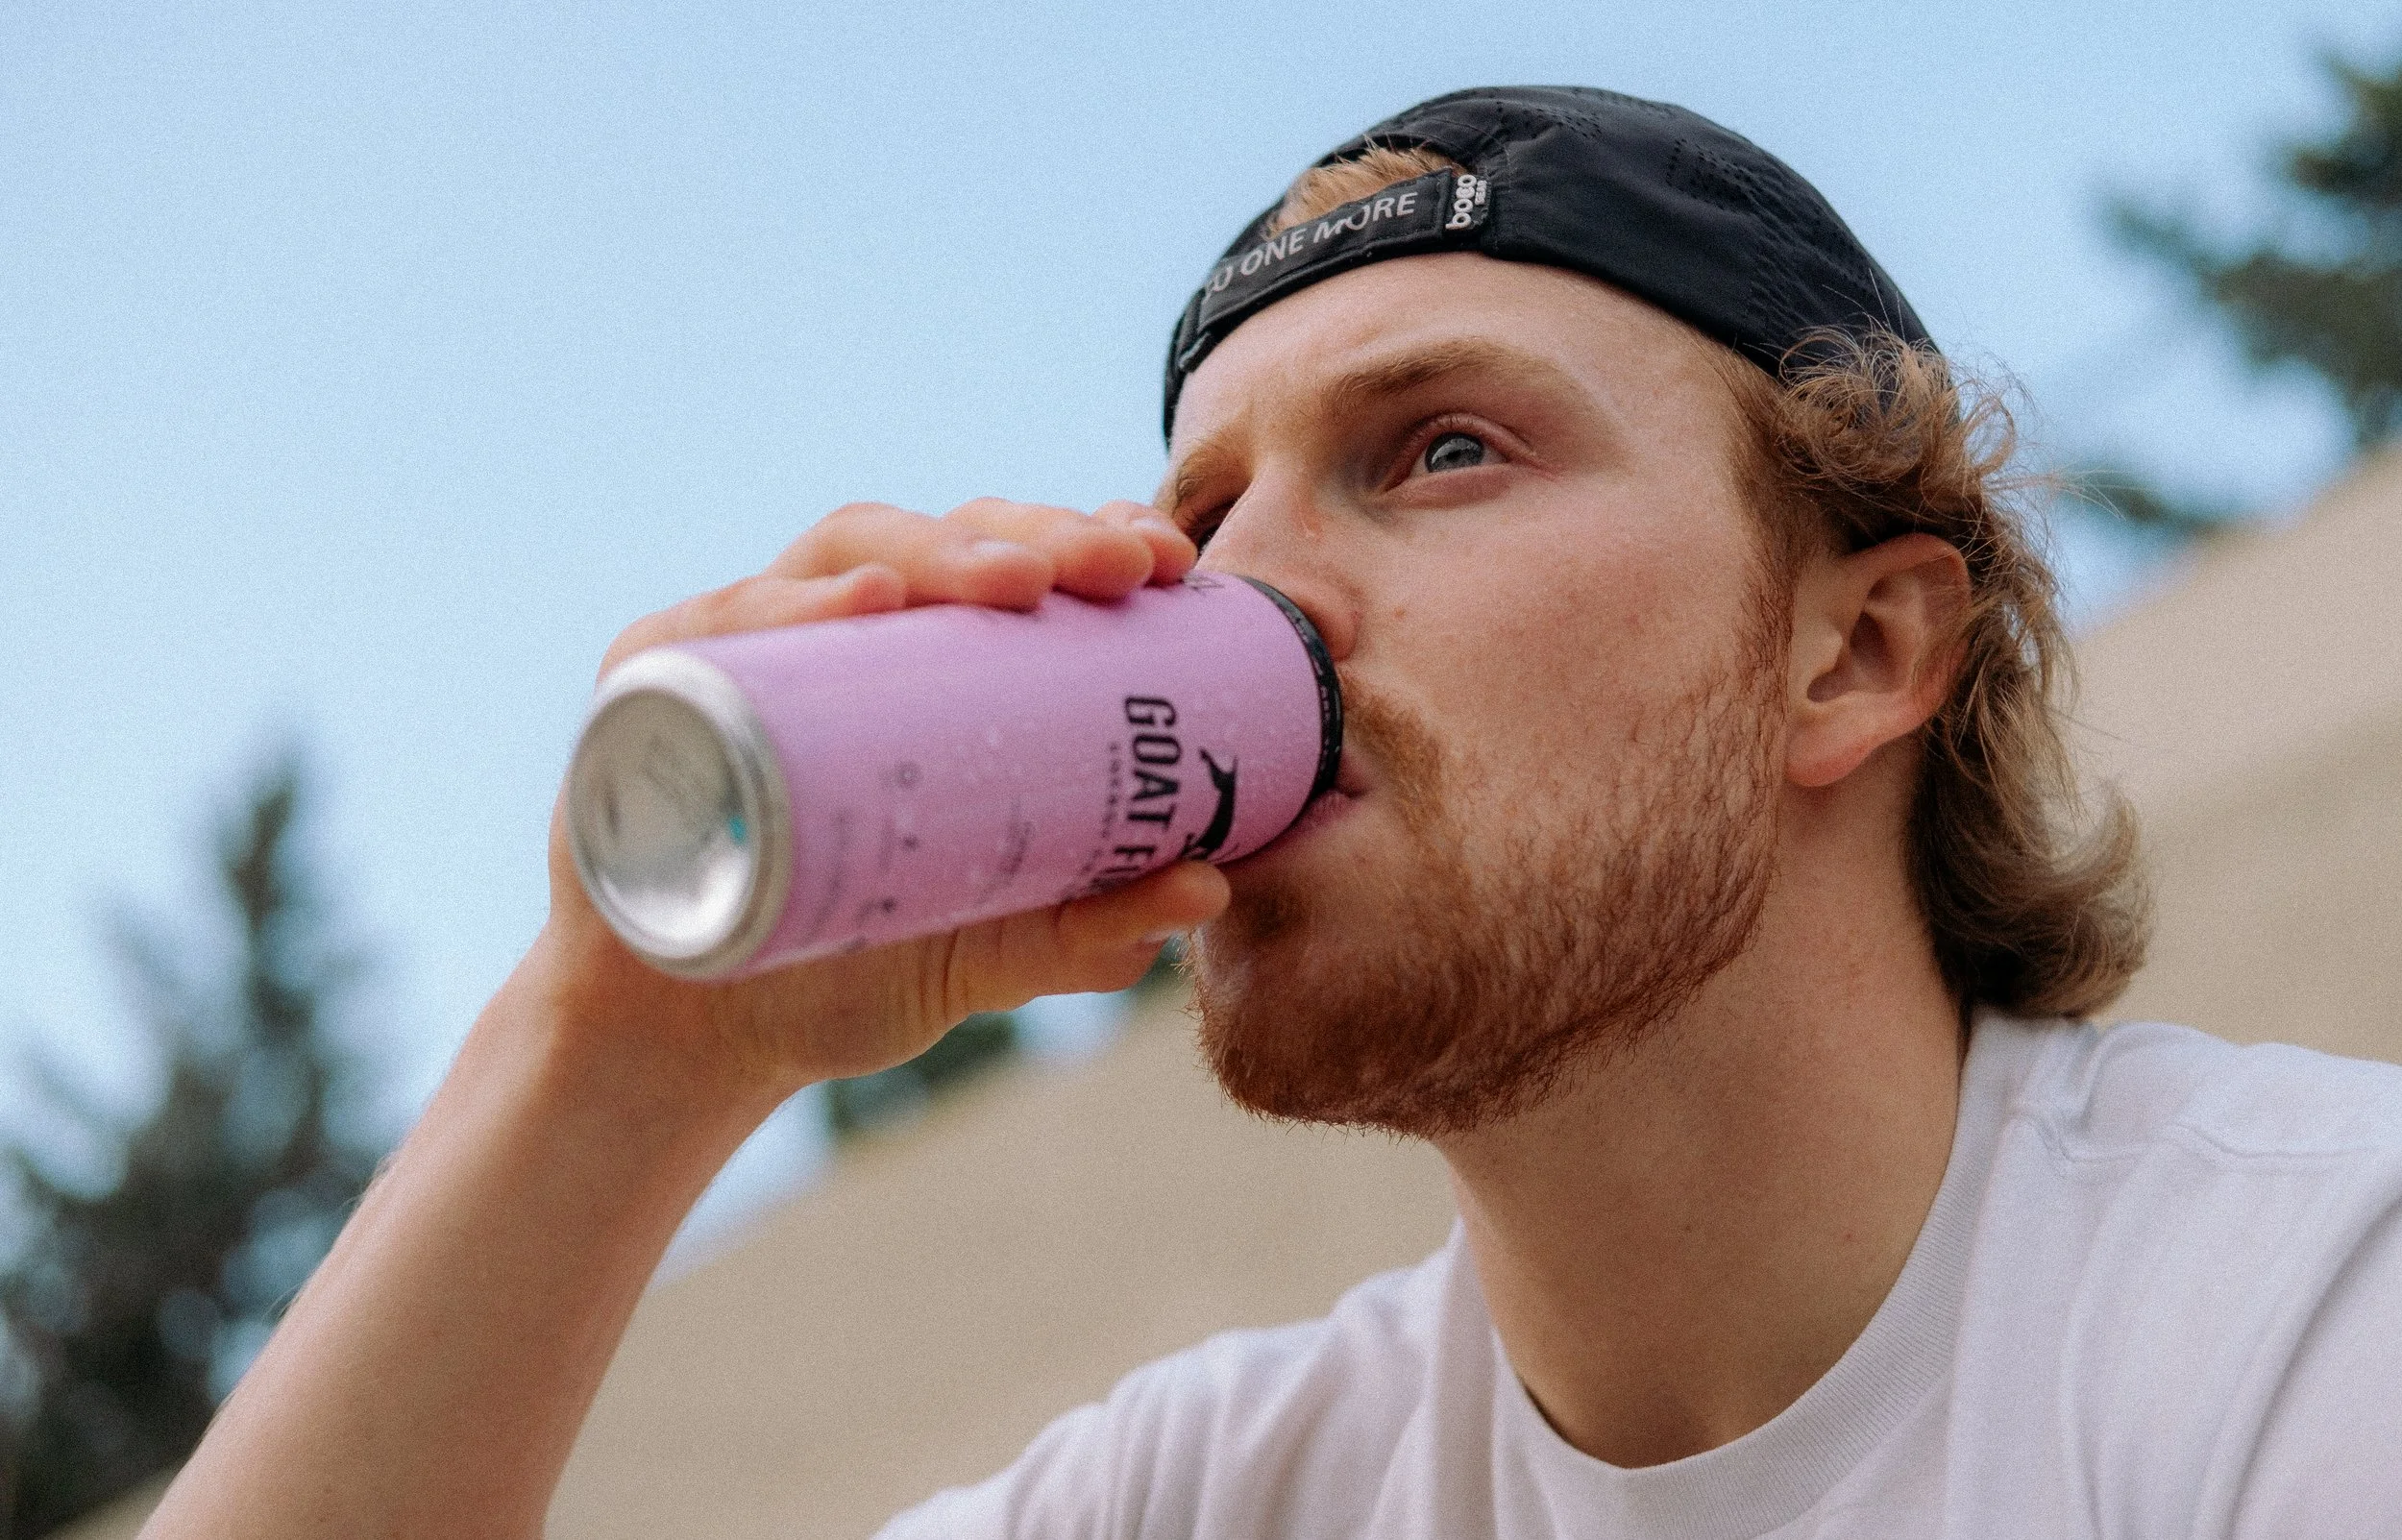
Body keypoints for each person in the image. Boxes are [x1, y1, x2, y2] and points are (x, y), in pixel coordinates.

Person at [145, 87, 2402, 1540]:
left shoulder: (2298, 1301)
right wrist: (618, 1049)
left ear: (1856, 652)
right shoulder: (1206, 1492)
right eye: (1200, 515)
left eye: (1437, 450)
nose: (1242, 599)